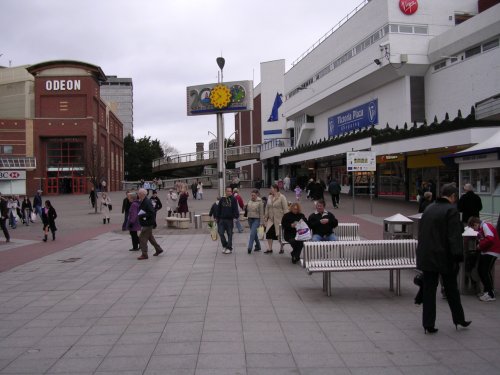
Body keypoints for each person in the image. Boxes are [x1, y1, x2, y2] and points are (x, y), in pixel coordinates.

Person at [416, 183, 471, 334]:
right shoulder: (451, 211)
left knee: (429, 291)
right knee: (452, 290)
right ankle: (459, 319)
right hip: (444, 257)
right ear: (453, 196)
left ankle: (428, 324)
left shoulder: (429, 208)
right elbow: (454, 238)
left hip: (427, 256)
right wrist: (457, 257)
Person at [467, 217, 500, 302]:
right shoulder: (482, 228)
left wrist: (480, 245)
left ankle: (490, 293)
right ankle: (487, 292)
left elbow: (490, 239)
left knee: (484, 271)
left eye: (473, 227)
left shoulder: (485, 226)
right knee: (483, 271)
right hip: (487, 252)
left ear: (475, 224)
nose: (474, 229)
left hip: (491, 251)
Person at [137, 188, 164, 260]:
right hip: (147, 223)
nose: (138, 195)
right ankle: (159, 249)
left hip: (148, 223)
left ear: (142, 194)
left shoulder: (147, 202)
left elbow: (152, 212)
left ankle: (144, 254)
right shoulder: (144, 201)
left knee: (142, 237)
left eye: (139, 193)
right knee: (150, 237)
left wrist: (142, 215)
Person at [264, 184, 289, 254]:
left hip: (279, 219)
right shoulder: (269, 197)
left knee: (279, 235)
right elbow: (267, 207)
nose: (270, 190)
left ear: (275, 189)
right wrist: (266, 216)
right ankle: (270, 248)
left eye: (271, 188)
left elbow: (285, 208)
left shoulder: (282, 197)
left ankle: (281, 248)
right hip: (271, 219)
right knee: (268, 233)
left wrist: (286, 218)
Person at [216, 186, 239, 254]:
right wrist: (216, 217)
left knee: (229, 234)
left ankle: (229, 248)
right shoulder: (222, 199)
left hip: (229, 220)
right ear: (225, 192)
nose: (229, 192)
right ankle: (225, 245)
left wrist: (235, 217)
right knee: (221, 233)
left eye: (230, 191)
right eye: (228, 191)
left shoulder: (233, 199)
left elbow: (235, 209)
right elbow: (218, 209)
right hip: (222, 219)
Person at [246, 189, 264, 254]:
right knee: (254, 233)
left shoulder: (260, 202)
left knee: (252, 234)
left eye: (254, 195)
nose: (252, 196)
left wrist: (262, 222)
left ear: (257, 195)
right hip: (250, 218)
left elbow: (261, 213)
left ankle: (249, 247)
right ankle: (258, 246)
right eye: (251, 195)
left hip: (257, 219)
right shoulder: (250, 201)